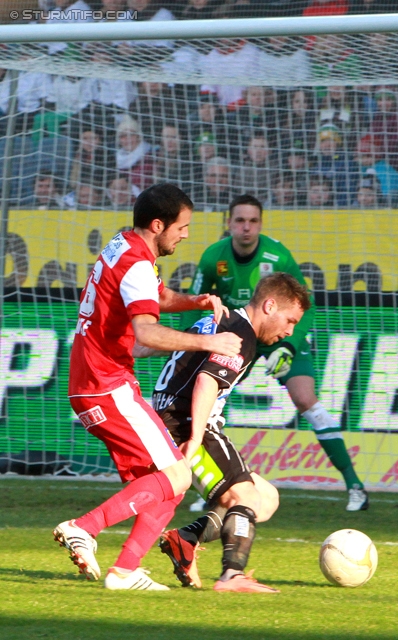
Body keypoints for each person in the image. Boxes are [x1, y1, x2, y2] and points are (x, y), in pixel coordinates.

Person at [53, 183, 242, 591]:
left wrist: (197, 301)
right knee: (178, 475)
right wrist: (210, 341)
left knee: (168, 484)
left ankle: (125, 571)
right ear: (158, 225)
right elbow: (146, 331)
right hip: (108, 385)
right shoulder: (138, 265)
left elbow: (156, 297)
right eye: (182, 226)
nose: (186, 234)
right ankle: (83, 527)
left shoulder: (124, 244)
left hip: (92, 384)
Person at [181, 194, 369, 512]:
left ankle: (355, 486)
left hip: (279, 336)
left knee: (306, 400)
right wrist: (191, 341)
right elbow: (195, 302)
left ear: (260, 224)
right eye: (240, 221)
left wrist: (287, 345)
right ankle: (213, 489)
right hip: (240, 335)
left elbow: (304, 308)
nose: (246, 228)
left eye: (253, 221)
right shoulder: (214, 257)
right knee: (207, 405)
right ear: (228, 224)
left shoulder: (278, 256)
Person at [153, 272, 309, 593]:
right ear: (269, 305)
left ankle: (186, 539)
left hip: (170, 417)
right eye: (289, 320)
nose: (290, 331)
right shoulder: (242, 334)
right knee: (245, 496)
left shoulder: (221, 320)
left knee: (265, 499)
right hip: (185, 424)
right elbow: (207, 380)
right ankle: (231, 576)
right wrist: (195, 438)